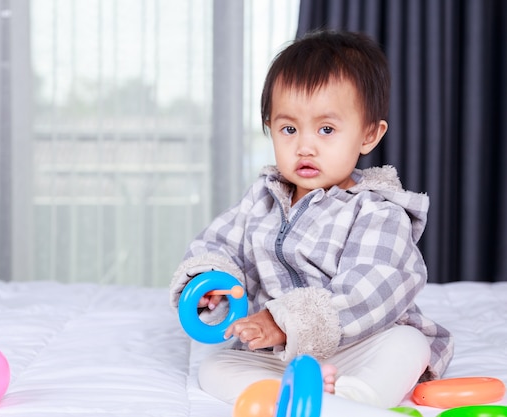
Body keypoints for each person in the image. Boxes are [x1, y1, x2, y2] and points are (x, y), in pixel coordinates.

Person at [169, 29, 453, 409]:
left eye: (326, 129)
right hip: (282, 357)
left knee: (408, 345)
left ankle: (352, 399)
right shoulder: (262, 200)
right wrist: (211, 283)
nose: (305, 145)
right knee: (215, 366)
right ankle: (290, 394)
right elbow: (217, 245)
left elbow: (371, 290)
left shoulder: (378, 210)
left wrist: (282, 321)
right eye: (289, 129)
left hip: (358, 346)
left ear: (368, 134)